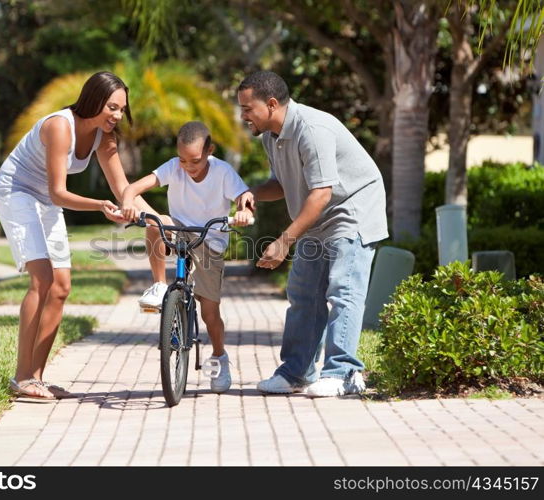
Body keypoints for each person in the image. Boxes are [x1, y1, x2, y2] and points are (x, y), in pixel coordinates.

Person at [0, 71, 154, 400]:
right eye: (112, 107)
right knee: (42, 279)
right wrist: (100, 206)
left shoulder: (104, 137)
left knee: (62, 286)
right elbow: (58, 192)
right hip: (17, 192)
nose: (117, 115)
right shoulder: (59, 126)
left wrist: (155, 216)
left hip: (45, 200)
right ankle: (21, 376)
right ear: (94, 100)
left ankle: (35, 378)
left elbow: (123, 188)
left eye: (122, 109)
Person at [236, 70, 388, 397]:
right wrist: (252, 193)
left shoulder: (312, 129)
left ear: (272, 104)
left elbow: (321, 192)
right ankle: (296, 373)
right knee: (303, 293)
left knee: (342, 290)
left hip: (352, 209)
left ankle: (344, 373)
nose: (243, 116)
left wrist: (283, 241)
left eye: (248, 109)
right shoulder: (270, 137)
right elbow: (285, 183)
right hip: (319, 214)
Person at [121, 121, 253, 393]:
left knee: (209, 311)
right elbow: (132, 189)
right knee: (155, 223)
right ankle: (159, 286)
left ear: (209, 151)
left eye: (194, 160)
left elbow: (245, 196)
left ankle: (219, 357)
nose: (188, 167)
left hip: (209, 238)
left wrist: (245, 212)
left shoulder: (222, 172)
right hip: (178, 229)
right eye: (183, 160)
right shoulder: (173, 166)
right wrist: (127, 203)